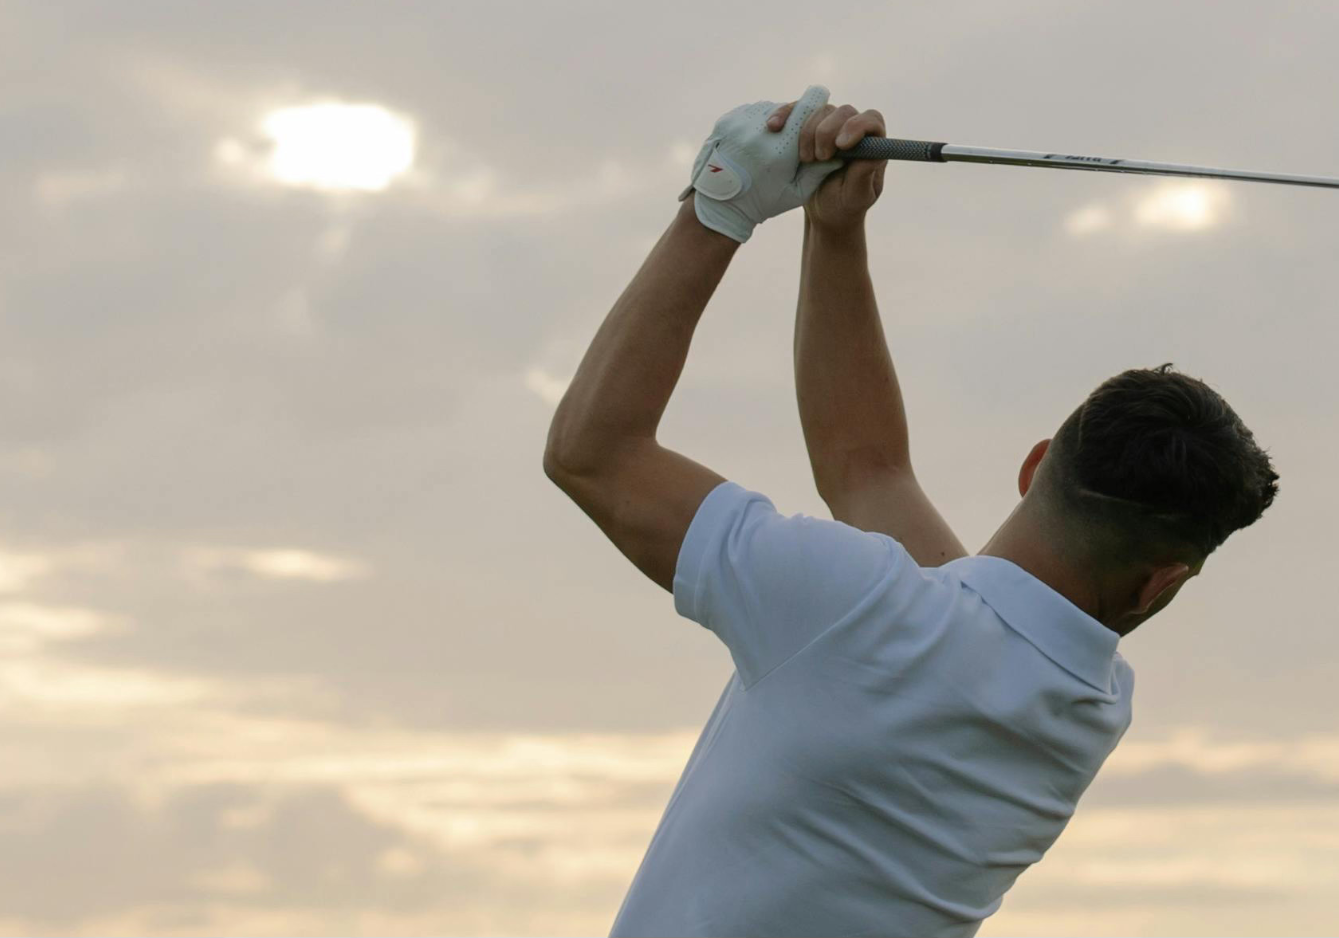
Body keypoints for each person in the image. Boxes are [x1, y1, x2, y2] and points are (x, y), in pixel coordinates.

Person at [542, 88, 1280, 938]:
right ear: (1158, 583)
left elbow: (591, 452)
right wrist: (835, 230)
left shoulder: (863, 610)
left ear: (1034, 464)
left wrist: (720, 204)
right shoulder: (1088, 704)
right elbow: (866, 471)